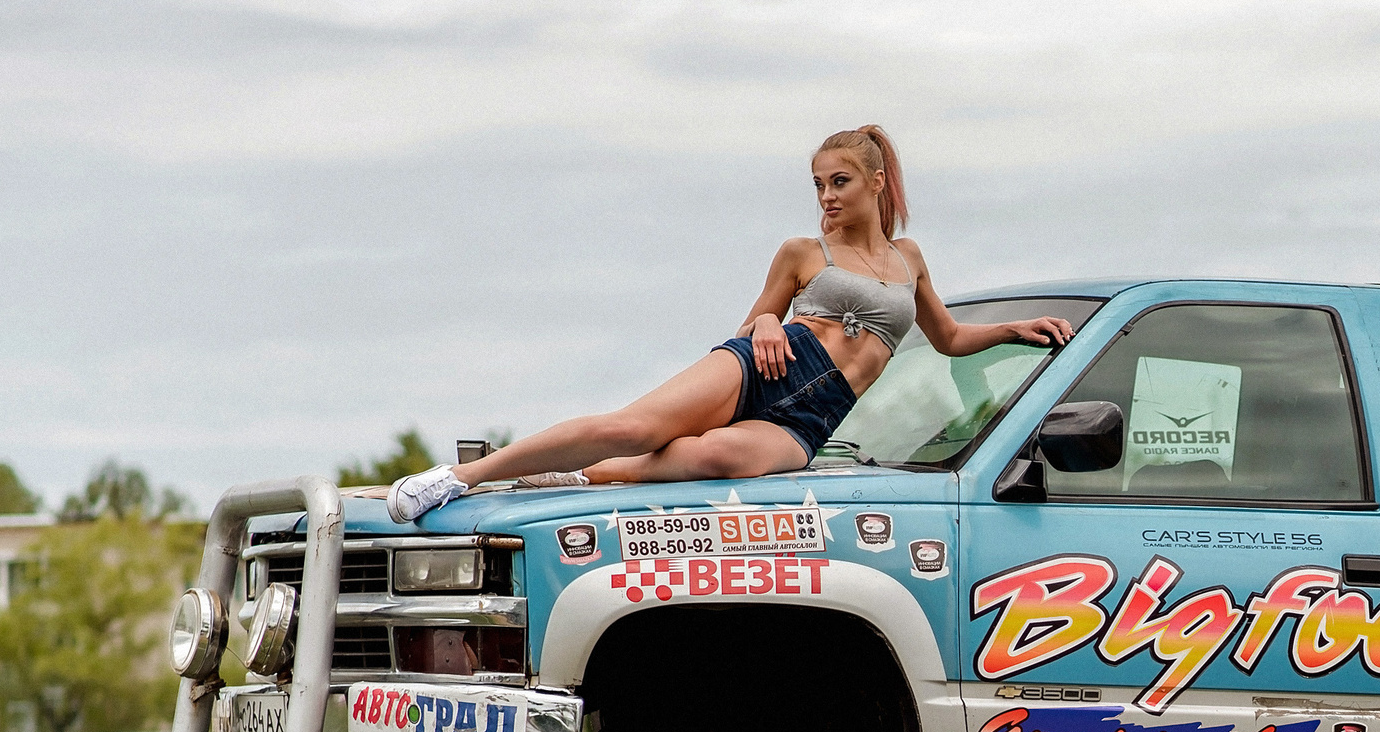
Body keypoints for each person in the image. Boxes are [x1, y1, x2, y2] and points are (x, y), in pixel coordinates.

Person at [387, 126, 1075, 523]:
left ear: (875, 185)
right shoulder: (805, 252)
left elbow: (948, 338)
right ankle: (462, 477)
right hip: (770, 361)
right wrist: (772, 322)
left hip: (815, 416)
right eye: (816, 185)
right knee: (637, 427)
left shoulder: (910, 259)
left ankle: (579, 479)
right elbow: (757, 318)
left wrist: (1017, 329)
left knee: (704, 459)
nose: (825, 197)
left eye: (838, 181)